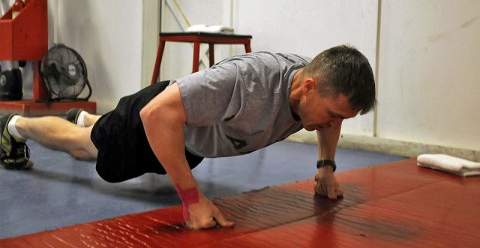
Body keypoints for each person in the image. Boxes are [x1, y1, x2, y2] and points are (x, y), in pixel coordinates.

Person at [0, 44, 376, 230]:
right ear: (307, 88)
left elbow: (335, 118)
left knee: (100, 133)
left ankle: (88, 118)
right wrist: (192, 198)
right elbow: (157, 114)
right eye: (332, 116)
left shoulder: (318, 96)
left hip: (192, 138)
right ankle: (14, 125)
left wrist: (326, 167)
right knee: (84, 147)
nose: (332, 124)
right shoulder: (247, 82)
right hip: (156, 118)